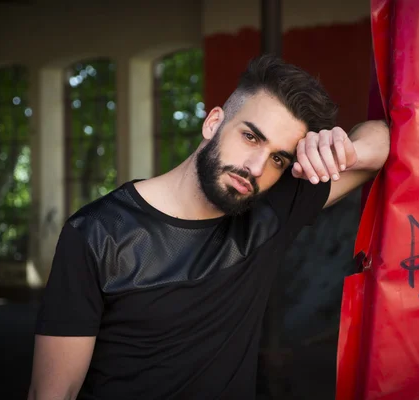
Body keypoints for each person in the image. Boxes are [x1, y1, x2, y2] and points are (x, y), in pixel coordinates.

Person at [27, 55, 390, 400]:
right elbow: (54, 392)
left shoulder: (270, 212)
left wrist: (342, 151)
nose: (256, 166)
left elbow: (385, 139)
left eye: (278, 157)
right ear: (213, 122)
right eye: (250, 137)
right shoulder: (96, 233)